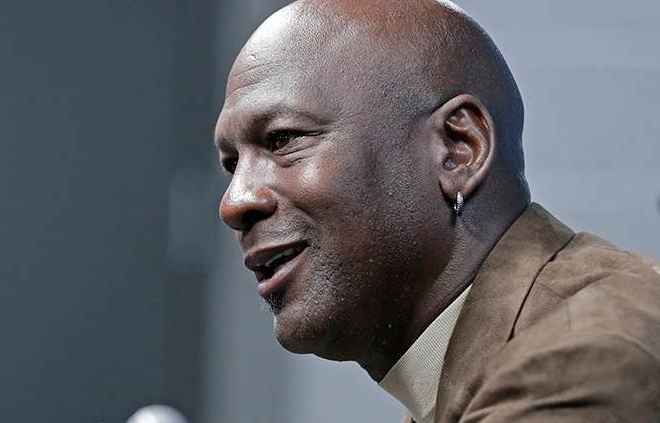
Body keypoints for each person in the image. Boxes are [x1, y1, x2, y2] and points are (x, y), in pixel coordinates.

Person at [213, 0, 660, 421]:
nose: (234, 203)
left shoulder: (578, 361)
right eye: (232, 165)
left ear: (458, 149)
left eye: (283, 139)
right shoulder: (492, 368)